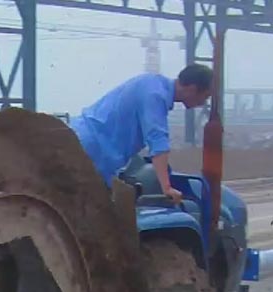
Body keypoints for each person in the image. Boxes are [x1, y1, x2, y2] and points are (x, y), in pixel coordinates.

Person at [70, 64, 214, 202]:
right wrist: (167, 188)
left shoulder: (152, 83)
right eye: (206, 96)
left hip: (85, 142)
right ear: (193, 89)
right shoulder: (155, 95)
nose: (203, 103)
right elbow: (157, 140)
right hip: (90, 149)